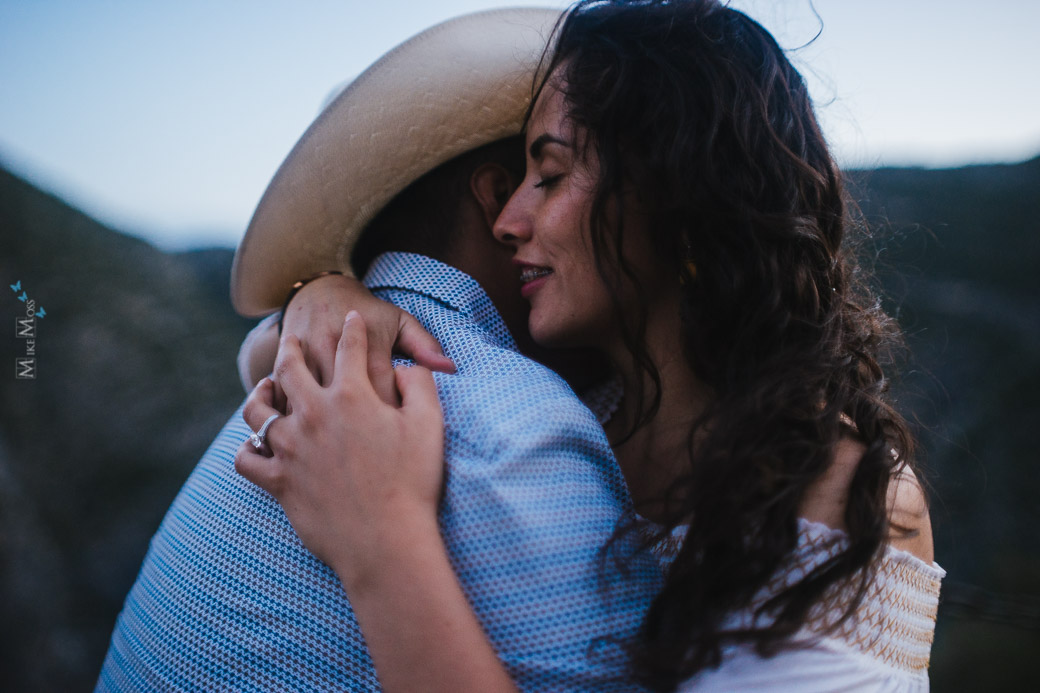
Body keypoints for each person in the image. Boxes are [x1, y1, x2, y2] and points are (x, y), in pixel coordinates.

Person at [236, 1, 944, 691]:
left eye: (549, 175)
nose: (509, 219)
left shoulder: (841, 490)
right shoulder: (593, 398)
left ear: (680, 189)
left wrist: (381, 546)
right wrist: (328, 294)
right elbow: (261, 357)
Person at [96, 9, 664, 692]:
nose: (527, 213)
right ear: (497, 201)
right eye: (540, 175)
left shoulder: (295, 390)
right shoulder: (516, 426)